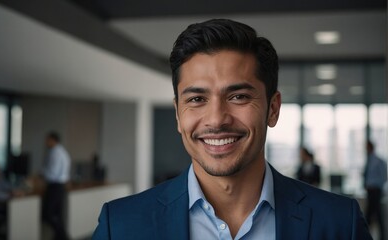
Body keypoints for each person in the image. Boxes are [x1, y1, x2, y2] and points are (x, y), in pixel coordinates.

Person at [92, 19, 371, 239]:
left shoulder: (339, 223)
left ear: (272, 109)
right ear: (178, 114)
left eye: (238, 96)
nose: (216, 119)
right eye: (197, 99)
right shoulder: (120, 225)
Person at [42, 132, 70, 240]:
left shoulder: (55, 152)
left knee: (48, 214)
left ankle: (63, 237)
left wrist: (41, 173)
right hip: (60, 186)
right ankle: (60, 237)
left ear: (53, 140)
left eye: (47, 140)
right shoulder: (63, 152)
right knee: (57, 215)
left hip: (54, 186)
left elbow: (52, 173)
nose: (46, 142)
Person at [364, 140, 387, 240]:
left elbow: (383, 176)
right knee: (369, 216)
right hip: (370, 191)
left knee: (377, 216)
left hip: (376, 191)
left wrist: (378, 187)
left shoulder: (378, 161)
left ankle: (382, 237)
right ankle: (364, 236)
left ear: (370, 147)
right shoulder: (368, 160)